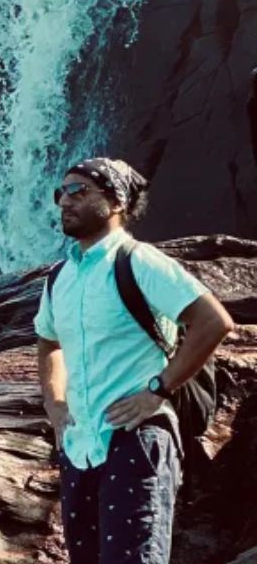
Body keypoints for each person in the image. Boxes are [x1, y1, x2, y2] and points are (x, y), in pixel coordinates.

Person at [35, 157, 235, 564]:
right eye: (62, 193)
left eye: (79, 192)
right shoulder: (59, 277)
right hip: (79, 446)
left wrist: (158, 389)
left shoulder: (138, 260)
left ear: (115, 202)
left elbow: (213, 321)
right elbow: (48, 343)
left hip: (137, 439)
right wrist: (55, 406)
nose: (65, 202)